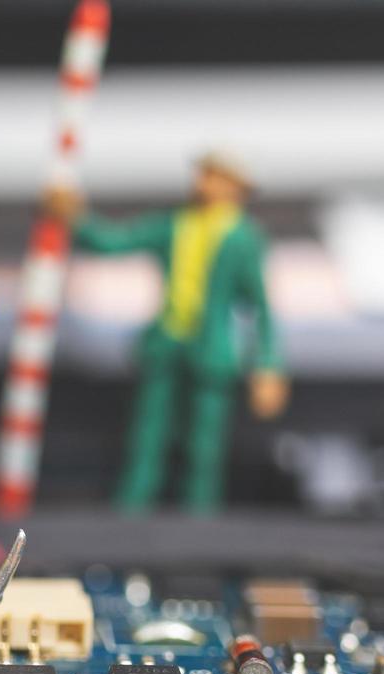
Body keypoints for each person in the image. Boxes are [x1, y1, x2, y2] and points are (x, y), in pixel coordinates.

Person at [63, 151, 288, 512]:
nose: (202, 183)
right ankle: (129, 514)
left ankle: (198, 524)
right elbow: (113, 242)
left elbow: (261, 307)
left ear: (234, 188)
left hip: (211, 352)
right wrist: (75, 218)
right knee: (146, 437)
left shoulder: (244, 238)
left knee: (204, 446)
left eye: (214, 177)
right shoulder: (173, 224)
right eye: (203, 175)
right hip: (165, 345)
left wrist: (268, 365)